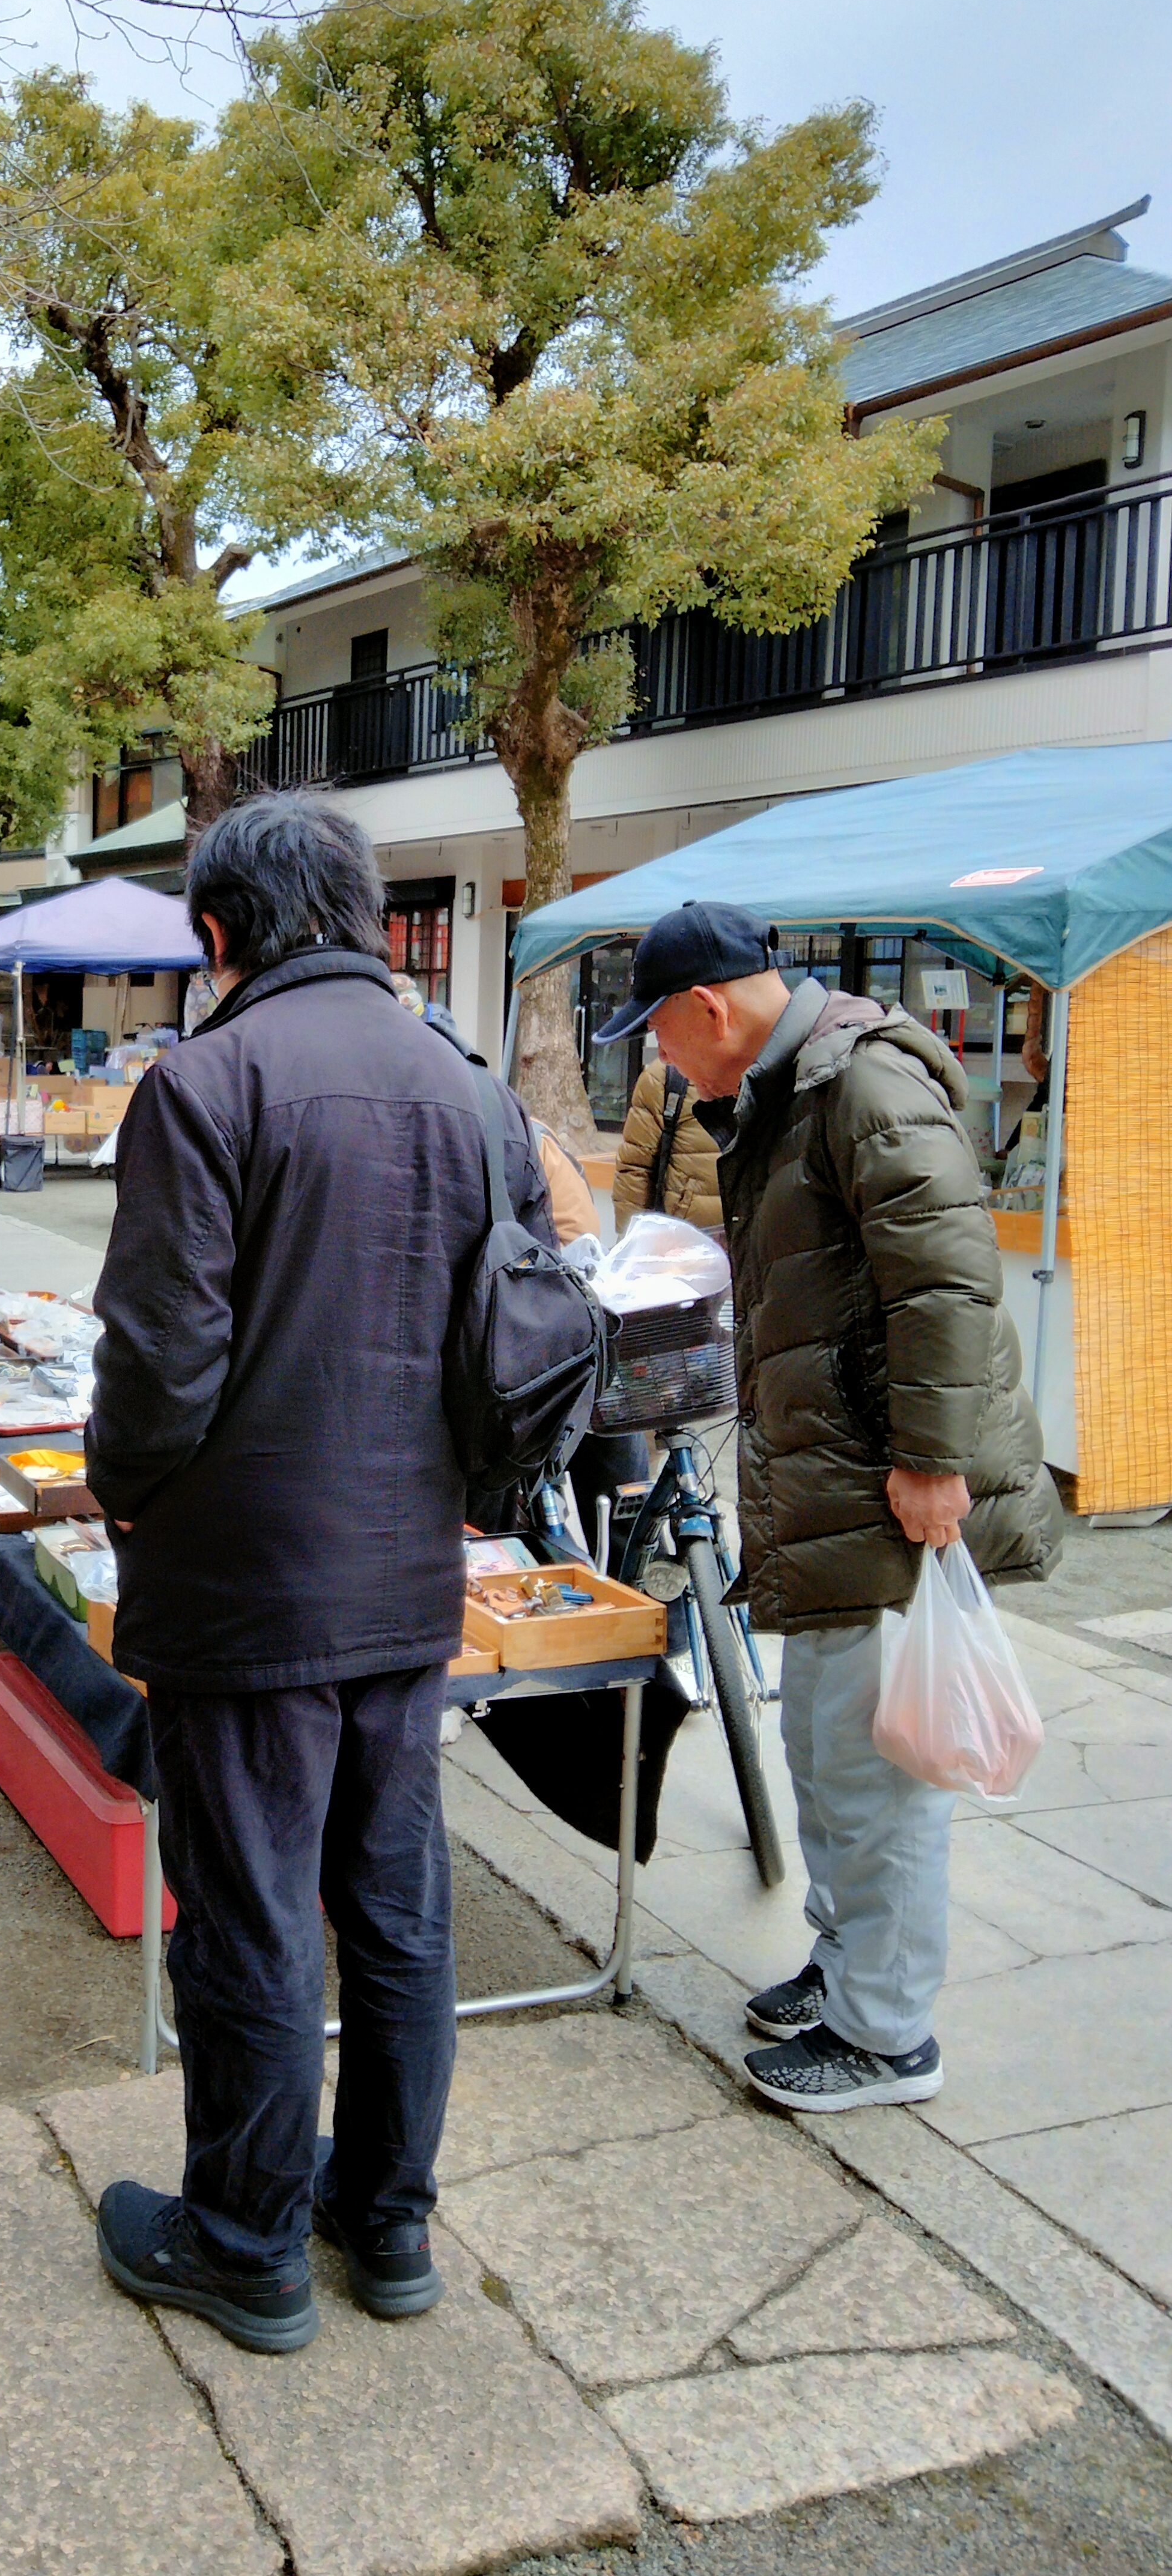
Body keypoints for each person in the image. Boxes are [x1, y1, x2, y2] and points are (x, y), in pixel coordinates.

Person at [85, 792, 554, 2356]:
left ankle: (245, 2241)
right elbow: (519, 1340)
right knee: (398, 1904)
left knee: (254, 1915)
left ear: (218, 935)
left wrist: (126, 1497)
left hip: (244, 1587)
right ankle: (388, 2220)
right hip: (408, 1568)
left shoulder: (205, 1084)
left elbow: (160, 1365)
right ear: (358, 918)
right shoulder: (473, 1096)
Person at [595, 903, 1062, 2112]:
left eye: (659, 1034)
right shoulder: (788, 1087)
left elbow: (949, 1278)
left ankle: (886, 2031)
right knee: (825, 1747)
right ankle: (848, 1962)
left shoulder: (858, 1083)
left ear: (706, 1006)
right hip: (832, 1477)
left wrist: (930, 1455)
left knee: (875, 1768)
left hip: (882, 1485)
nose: (661, 1061)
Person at [612, 1035, 723, 1233]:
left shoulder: (771, 1068)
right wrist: (632, 1247)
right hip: (682, 1244)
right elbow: (635, 1168)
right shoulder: (664, 1078)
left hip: (755, 1244)